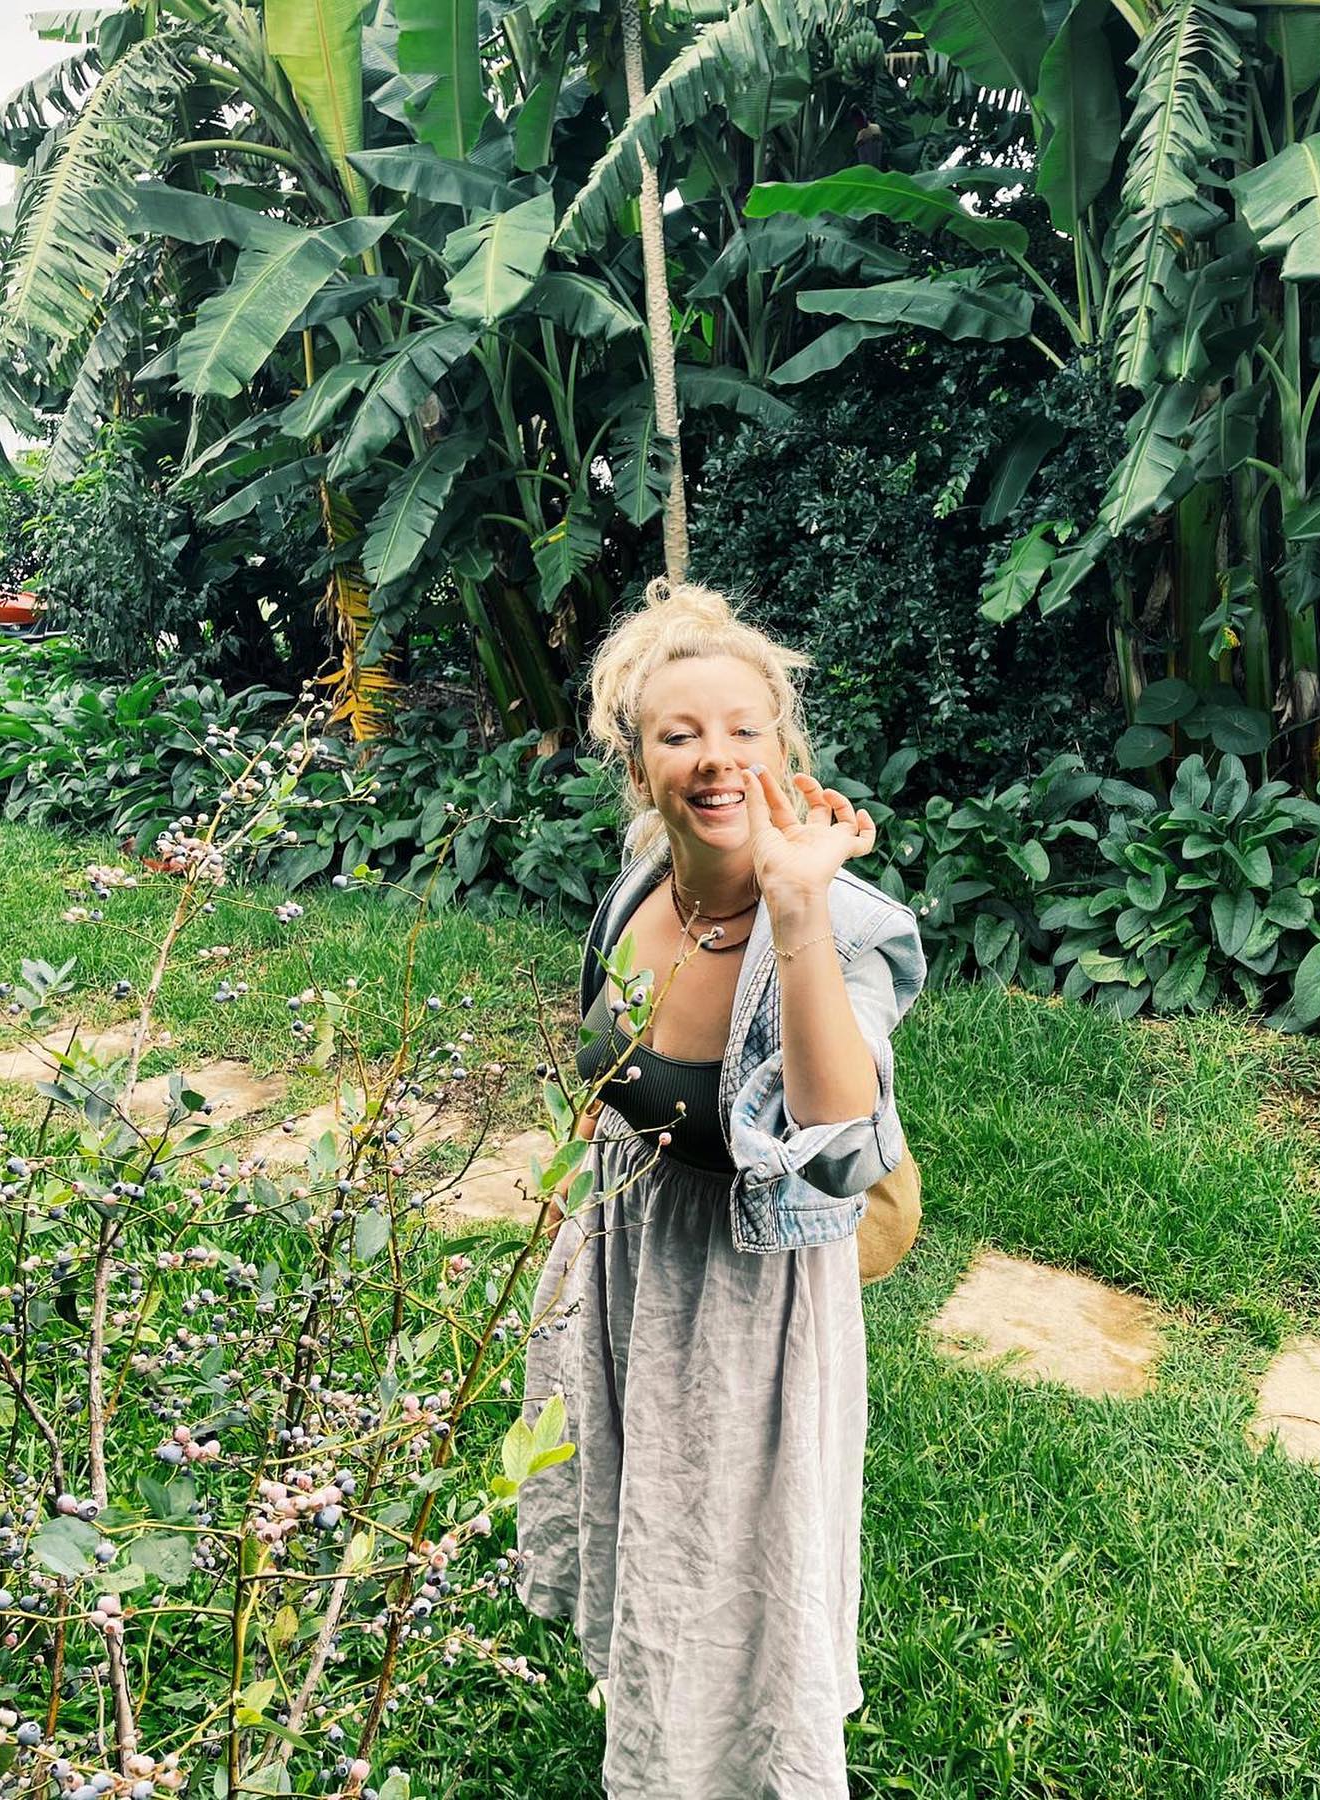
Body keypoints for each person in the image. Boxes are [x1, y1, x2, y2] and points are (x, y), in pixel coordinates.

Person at [517, 577, 927, 1798]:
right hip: (630, 1265)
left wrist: (796, 912)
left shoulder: (842, 927)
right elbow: (608, 1062)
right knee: (647, 1528)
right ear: (638, 769)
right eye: (679, 735)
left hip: (749, 1303)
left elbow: (843, 1146)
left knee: (731, 1569)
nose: (716, 760)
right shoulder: (642, 886)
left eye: (744, 731)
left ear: (783, 748)